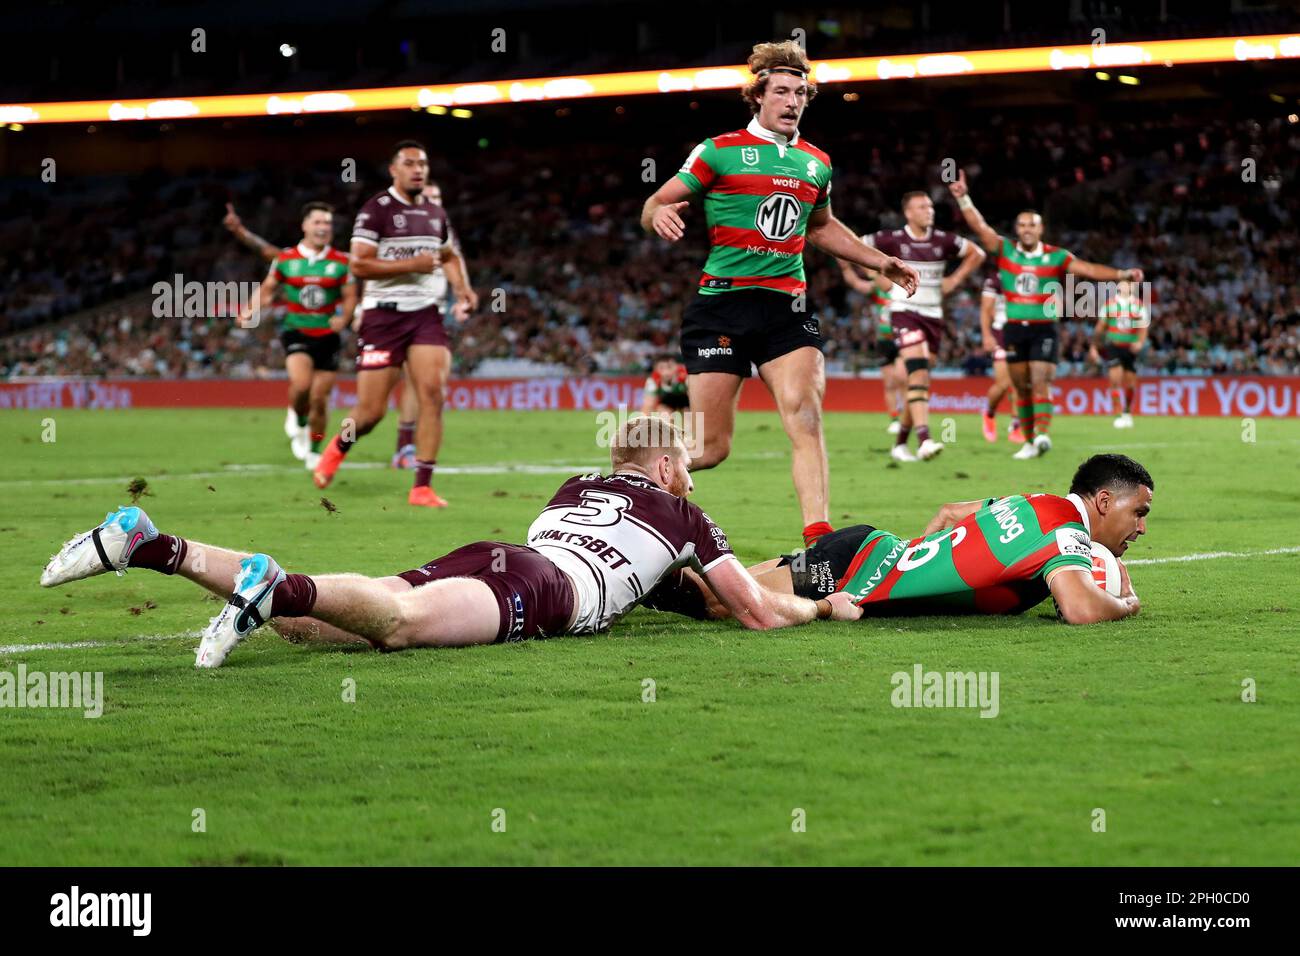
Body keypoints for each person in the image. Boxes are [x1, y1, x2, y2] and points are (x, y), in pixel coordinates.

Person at [40, 418, 863, 668]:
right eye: (682, 460)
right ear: (661, 464)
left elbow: (677, 593)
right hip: (544, 590)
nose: (691, 471)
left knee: (311, 624)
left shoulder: (573, 486)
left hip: (498, 551)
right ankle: (267, 580)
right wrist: (818, 607)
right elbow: (751, 610)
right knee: (396, 627)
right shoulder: (686, 519)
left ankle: (152, 545)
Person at [640, 39, 918, 546]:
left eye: (802, 94)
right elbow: (656, 201)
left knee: (807, 417)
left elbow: (822, 228)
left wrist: (882, 262)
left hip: (786, 306)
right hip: (721, 307)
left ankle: (820, 541)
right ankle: (631, 476)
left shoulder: (816, 163)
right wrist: (657, 212)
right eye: (784, 92)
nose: (794, 102)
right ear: (759, 96)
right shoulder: (717, 151)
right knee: (711, 447)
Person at [645, 453, 1150, 626]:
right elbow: (1083, 610)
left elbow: (952, 512)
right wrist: (1124, 601)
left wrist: (921, 562)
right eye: (1139, 512)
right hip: (851, 572)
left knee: (710, 589)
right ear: (1104, 501)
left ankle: (627, 570)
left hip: (867, 552)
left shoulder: (1038, 501)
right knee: (715, 603)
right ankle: (624, 568)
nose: (1141, 528)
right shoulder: (1064, 532)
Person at [313, 141, 479, 506]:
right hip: (383, 316)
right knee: (371, 412)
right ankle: (338, 447)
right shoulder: (376, 210)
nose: (418, 169)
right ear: (394, 170)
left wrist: (463, 287)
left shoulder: (435, 213)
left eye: (422, 164)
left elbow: (448, 254)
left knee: (432, 395)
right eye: (409, 164)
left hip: (424, 315)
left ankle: (422, 486)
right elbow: (358, 265)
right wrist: (411, 265)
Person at [948, 170, 1143, 460]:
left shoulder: (1057, 256)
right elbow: (980, 227)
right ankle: (1028, 441)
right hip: (1014, 329)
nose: (1027, 229)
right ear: (1017, 228)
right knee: (1021, 387)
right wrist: (963, 198)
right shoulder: (1005, 250)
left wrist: (1122, 274)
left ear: (1041, 230)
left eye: (1032, 225)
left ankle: (1041, 434)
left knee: (1041, 380)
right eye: (1022, 224)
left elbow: (1088, 270)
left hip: (1044, 328)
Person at [858, 191, 985, 462]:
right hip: (904, 312)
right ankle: (925, 439)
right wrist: (875, 273)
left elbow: (977, 253)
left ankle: (900, 444)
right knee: (917, 375)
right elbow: (855, 246)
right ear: (908, 213)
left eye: (930, 206)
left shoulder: (943, 241)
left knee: (921, 380)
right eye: (922, 207)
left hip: (934, 317)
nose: (929, 211)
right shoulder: (891, 239)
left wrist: (955, 279)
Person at [236, 202, 355, 469]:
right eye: (318, 222)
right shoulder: (287, 260)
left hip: (328, 337)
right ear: (305, 225)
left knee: (320, 400)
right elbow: (267, 290)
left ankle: (313, 449)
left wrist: (344, 318)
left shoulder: (341, 261)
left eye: (327, 223)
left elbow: (349, 297)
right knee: (302, 386)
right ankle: (298, 418)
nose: (323, 227)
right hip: (296, 331)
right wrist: (250, 311)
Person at [839, 263, 904, 433]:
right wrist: (845, 267)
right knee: (890, 383)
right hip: (884, 341)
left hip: (903, 340)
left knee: (902, 379)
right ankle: (895, 419)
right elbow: (856, 283)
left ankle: (907, 419)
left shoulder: (904, 291)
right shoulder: (878, 291)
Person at [1089, 279, 1149, 429]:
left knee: (1130, 384)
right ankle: (1118, 414)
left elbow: (1143, 327)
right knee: (1115, 380)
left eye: (1127, 284)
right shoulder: (1109, 305)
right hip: (1113, 346)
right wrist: (1094, 347)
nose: (1124, 286)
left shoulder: (1139, 305)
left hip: (1130, 349)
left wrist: (1140, 343)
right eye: (1122, 284)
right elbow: (1100, 327)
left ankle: (1127, 411)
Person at [979, 273, 1023, 443]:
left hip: (1022, 334)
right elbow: (986, 309)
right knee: (1003, 384)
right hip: (1002, 334)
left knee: (1019, 384)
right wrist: (987, 334)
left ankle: (1016, 426)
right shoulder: (995, 280)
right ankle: (989, 414)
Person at [640, 354, 691, 419]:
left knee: (690, 416)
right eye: (661, 368)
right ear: (656, 369)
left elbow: (695, 399)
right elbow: (648, 406)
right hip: (667, 402)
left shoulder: (686, 376)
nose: (666, 372)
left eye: (669, 367)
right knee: (664, 415)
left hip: (686, 400)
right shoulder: (653, 381)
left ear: (677, 366)